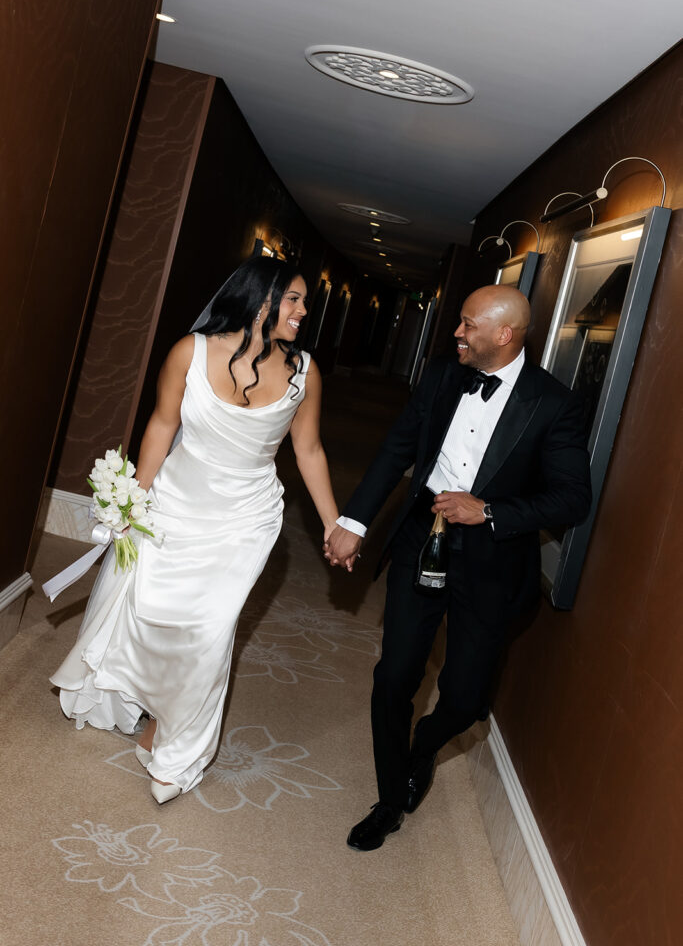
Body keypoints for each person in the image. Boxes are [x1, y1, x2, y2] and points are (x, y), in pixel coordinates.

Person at [51, 254, 340, 804]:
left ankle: (175, 743)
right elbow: (163, 424)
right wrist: (134, 498)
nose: (305, 311)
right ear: (261, 301)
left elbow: (308, 449)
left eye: (305, 301)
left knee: (210, 630)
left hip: (247, 518)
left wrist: (333, 523)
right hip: (174, 503)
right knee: (151, 612)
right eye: (295, 299)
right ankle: (144, 697)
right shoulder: (190, 351)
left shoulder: (305, 372)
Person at [324, 284, 592, 850]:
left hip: (492, 558)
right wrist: (355, 522)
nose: (456, 333)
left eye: (468, 325)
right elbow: (398, 448)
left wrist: (488, 509)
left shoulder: (555, 404)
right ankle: (391, 798)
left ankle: (424, 746)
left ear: (505, 334)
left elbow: (572, 499)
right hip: (423, 531)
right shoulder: (443, 375)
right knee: (394, 676)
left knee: (467, 700)